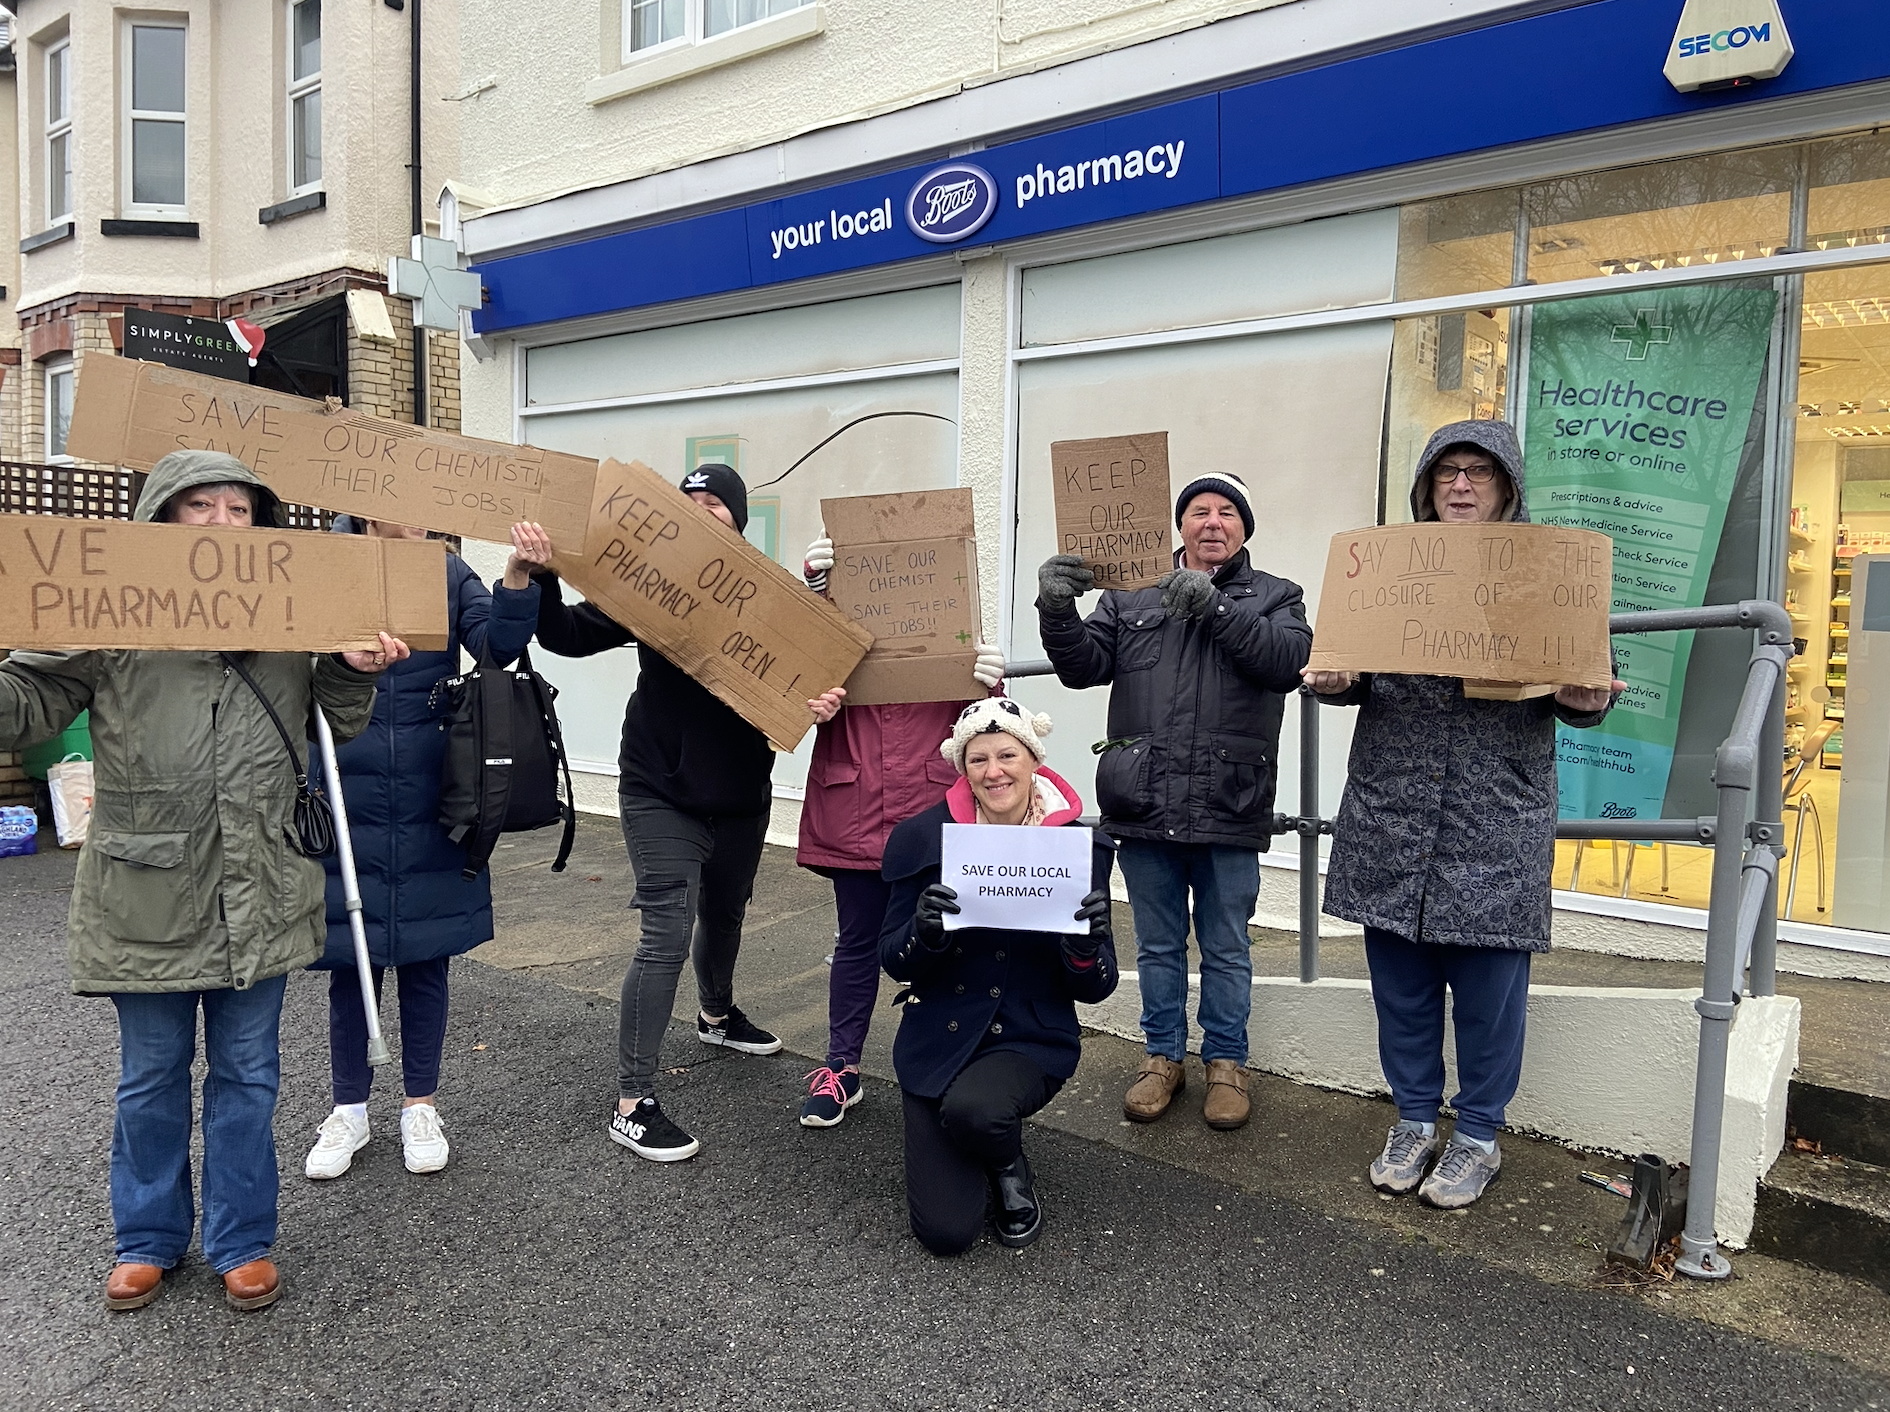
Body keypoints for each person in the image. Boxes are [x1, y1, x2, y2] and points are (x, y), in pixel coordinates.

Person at [0, 450, 406, 1312]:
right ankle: (146, 1236)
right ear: (160, 520)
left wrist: (353, 667)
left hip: (262, 879)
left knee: (250, 1072)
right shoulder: (113, 610)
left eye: (239, 508)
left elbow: (337, 720)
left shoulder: (297, 611)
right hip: (145, 889)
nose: (223, 524)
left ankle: (241, 1238)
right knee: (150, 1075)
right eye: (201, 507)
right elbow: (27, 704)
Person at [1303, 420, 1620, 1209]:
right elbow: (1351, 675)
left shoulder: (1548, 573)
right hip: (1393, 813)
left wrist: (1585, 701)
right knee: (1401, 991)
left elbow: (1591, 676)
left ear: (1508, 485)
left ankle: (1478, 1134)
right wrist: (1333, 681)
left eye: (1479, 471)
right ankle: (1412, 1120)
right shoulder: (1386, 575)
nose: (1462, 484)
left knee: (1489, 997)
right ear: (1426, 487)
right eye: (1446, 472)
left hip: (1494, 820)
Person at [518, 465, 845, 1163]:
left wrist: (820, 676)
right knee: (666, 930)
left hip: (739, 791)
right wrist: (542, 577)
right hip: (657, 788)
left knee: (726, 912)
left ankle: (717, 1014)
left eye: (716, 506)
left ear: (738, 521)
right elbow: (566, 637)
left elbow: (818, 671)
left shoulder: (767, 599)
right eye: (689, 504)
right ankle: (632, 1101)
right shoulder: (650, 589)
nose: (703, 513)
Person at [1036, 472, 1310, 1131]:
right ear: (1180, 526)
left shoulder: (1277, 595)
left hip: (1229, 802)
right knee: (1158, 945)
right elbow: (1082, 667)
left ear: (1244, 529)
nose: (1212, 522)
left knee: (1226, 945)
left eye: (1226, 513)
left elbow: (1286, 661)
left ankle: (1227, 1065)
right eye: (1198, 511)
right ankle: (1161, 1058)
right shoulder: (1131, 593)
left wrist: (1214, 609)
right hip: (1146, 799)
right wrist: (1055, 608)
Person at [302, 518, 540, 1181]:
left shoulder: (447, 570)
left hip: (434, 789)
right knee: (352, 958)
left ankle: (420, 1106)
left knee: (426, 957)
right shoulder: (325, 562)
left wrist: (517, 577)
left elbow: (497, 648)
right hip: (344, 782)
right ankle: (348, 1108)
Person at [879, 699, 1118, 1254]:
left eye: (1008, 754)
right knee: (946, 1234)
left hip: (1028, 1034)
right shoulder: (923, 837)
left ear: (1034, 760)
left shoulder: (1077, 847)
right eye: (978, 759)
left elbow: (1096, 986)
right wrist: (926, 933)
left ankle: (1007, 1162)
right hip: (939, 1035)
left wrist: (1083, 947)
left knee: (976, 1110)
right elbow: (894, 959)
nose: (994, 771)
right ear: (962, 769)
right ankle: (979, 1136)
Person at [792, 529, 1005, 1127]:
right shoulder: (830, 632)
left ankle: (950, 1063)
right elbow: (786, 685)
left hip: (928, 812)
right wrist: (816, 592)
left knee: (948, 941)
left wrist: (991, 682)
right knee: (856, 943)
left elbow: (985, 730)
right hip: (856, 807)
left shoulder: (950, 634)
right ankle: (841, 1067)